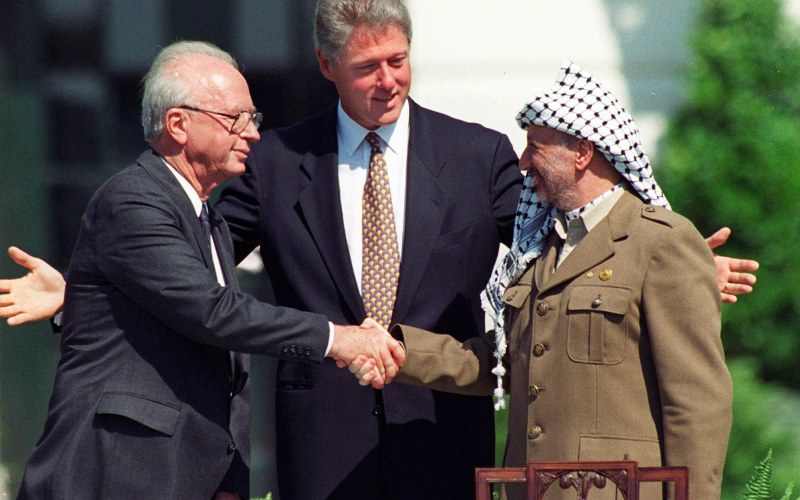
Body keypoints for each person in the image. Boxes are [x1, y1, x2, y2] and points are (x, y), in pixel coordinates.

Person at [0, 2, 758, 498]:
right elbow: (193, 272)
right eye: (367, 66)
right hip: (322, 444)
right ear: (328, 67)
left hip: (442, 429)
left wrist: (674, 265)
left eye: (398, 60)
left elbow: (558, 242)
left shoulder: (478, 153)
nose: (388, 79)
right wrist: (85, 290)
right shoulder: (276, 160)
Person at [12, 40, 403, 500]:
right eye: (236, 118)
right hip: (118, 471)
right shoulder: (133, 200)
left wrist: (225, 479)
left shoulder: (207, 218)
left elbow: (200, 341)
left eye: (253, 119)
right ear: (179, 124)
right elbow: (213, 313)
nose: (253, 134)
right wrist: (339, 338)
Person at [352, 61, 735, 499]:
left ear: (583, 153)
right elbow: (505, 362)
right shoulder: (539, 248)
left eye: (536, 147)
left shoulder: (659, 242)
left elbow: (697, 403)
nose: (523, 162)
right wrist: (401, 352)